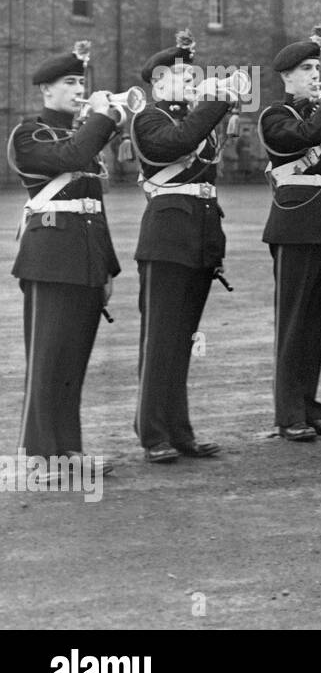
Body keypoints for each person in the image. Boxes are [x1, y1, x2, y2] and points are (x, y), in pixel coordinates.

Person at [8, 42, 124, 474]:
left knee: (73, 362)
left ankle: (67, 450)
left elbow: (94, 205)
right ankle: (38, 455)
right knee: (48, 359)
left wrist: (107, 267)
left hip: (86, 259)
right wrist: (101, 116)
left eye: (82, 82)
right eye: (70, 83)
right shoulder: (29, 133)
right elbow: (71, 157)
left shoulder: (82, 136)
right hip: (50, 259)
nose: (78, 90)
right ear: (46, 91)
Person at [130, 30, 240, 463]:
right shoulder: (149, 118)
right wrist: (216, 102)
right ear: (157, 84)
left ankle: (179, 429)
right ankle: (152, 431)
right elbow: (175, 144)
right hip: (167, 238)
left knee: (182, 340)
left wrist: (216, 107)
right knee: (160, 339)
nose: (192, 79)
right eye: (181, 74)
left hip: (199, 236)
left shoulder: (199, 118)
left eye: (193, 73)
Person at [257, 28, 321, 441]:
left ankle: (309, 406)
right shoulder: (274, 116)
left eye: (318, 68)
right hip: (295, 227)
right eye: (308, 69)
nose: (316, 75)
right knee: (294, 324)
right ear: (287, 76)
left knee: (315, 325)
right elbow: (303, 138)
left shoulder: (319, 113)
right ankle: (288, 413)